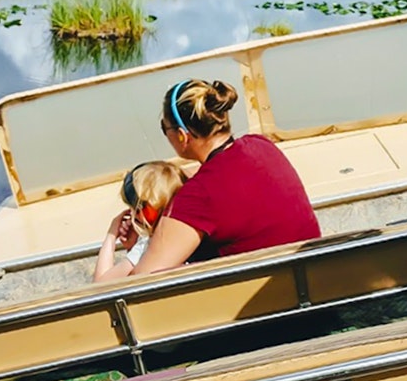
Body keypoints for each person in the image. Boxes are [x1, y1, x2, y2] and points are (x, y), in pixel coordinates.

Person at [128, 78, 321, 275]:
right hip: (320, 275)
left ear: (182, 135)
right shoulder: (261, 145)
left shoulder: (198, 195)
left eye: (164, 128)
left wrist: (137, 244)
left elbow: (140, 283)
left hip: (272, 297)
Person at [94, 161, 187, 282]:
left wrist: (111, 236)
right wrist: (131, 247)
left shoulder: (148, 245)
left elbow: (101, 284)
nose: (132, 214)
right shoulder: (186, 231)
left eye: (137, 208)